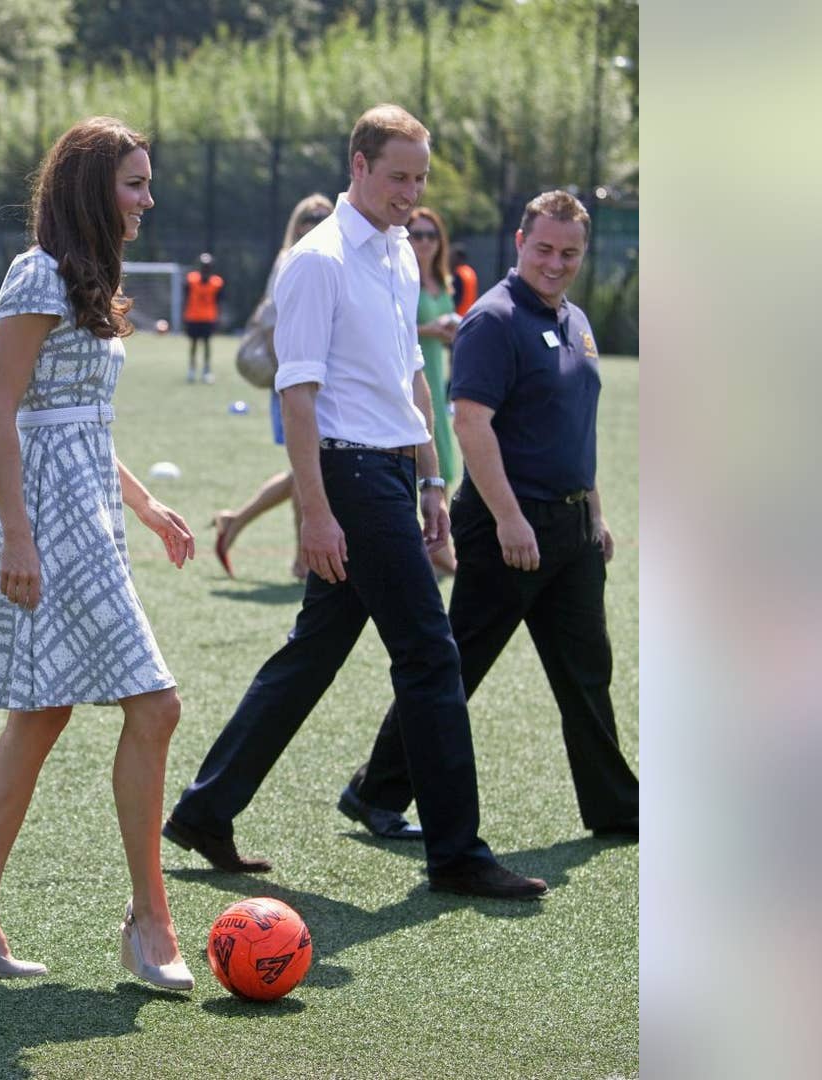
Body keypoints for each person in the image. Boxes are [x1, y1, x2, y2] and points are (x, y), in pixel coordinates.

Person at [163, 104, 546, 901]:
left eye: (420, 179)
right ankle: (457, 855)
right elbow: (297, 395)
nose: (411, 193)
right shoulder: (317, 260)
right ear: (359, 167)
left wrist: (435, 477)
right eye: (398, 175)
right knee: (430, 653)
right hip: (349, 478)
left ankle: (205, 809)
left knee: (314, 651)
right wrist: (315, 512)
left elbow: (408, 373)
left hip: (392, 476)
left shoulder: (401, 254)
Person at [0, 116, 199, 991]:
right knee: (155, 705)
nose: (147, 200)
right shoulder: (37, 273)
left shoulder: (92, 278)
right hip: (48, 522)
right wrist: (17, 533)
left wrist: (148, 503)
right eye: (134, 183)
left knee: (41, 716)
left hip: (94, 511)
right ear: (93, 187)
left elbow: (81, 418)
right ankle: (150, 919)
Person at [343, 191, 639, 843]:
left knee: (588, 671)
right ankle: (375, 790)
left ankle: (617, 807)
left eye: (569, 252)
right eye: (544, 248)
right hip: (508, 526)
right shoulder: (493, 320)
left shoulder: (577, 322)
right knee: (458, 668)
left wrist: (596, 511)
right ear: (519, 242)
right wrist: (509, 519)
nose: (556, 263)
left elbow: (575, 430)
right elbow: (470, 423)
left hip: (571, 530)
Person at [210, 193, 334, 580]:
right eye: (308, 217)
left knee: (304, 468)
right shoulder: (293, 259)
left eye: (324, 216)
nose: (315, 223)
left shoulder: (325, 257)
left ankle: (236, 521)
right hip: (294, 378)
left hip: (312, 377)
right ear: (295, 224)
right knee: (307, 467)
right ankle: (302, 557)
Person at [408, 206, 462, 576]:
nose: (425, 242)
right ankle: (429, 549)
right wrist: (432, 329)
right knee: (418, 465)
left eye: (431, 234)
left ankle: (433, 542)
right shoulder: (401, 276)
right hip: (409, 378)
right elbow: (387, 332)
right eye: (417, 234)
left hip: (437, 380)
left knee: (446, 462)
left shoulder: (441, 281)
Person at [182, 252, 223, 383]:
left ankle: (206, 370)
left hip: (208, 317)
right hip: (193, 316)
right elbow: (186, 297)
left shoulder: (217, 282)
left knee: (206, 344)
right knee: (193, 344)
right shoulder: (191, 279)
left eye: (208, 266)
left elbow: (218, 301)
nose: (206, 268)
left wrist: (218, 317)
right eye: (204, 265)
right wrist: (184, 315)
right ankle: (192, 369)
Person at [451, 243, 480, 316]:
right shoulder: (470, 272)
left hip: (458, 316)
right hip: (469, 314)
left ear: (457, 257)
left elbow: (455, 299)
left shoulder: (458, 273)